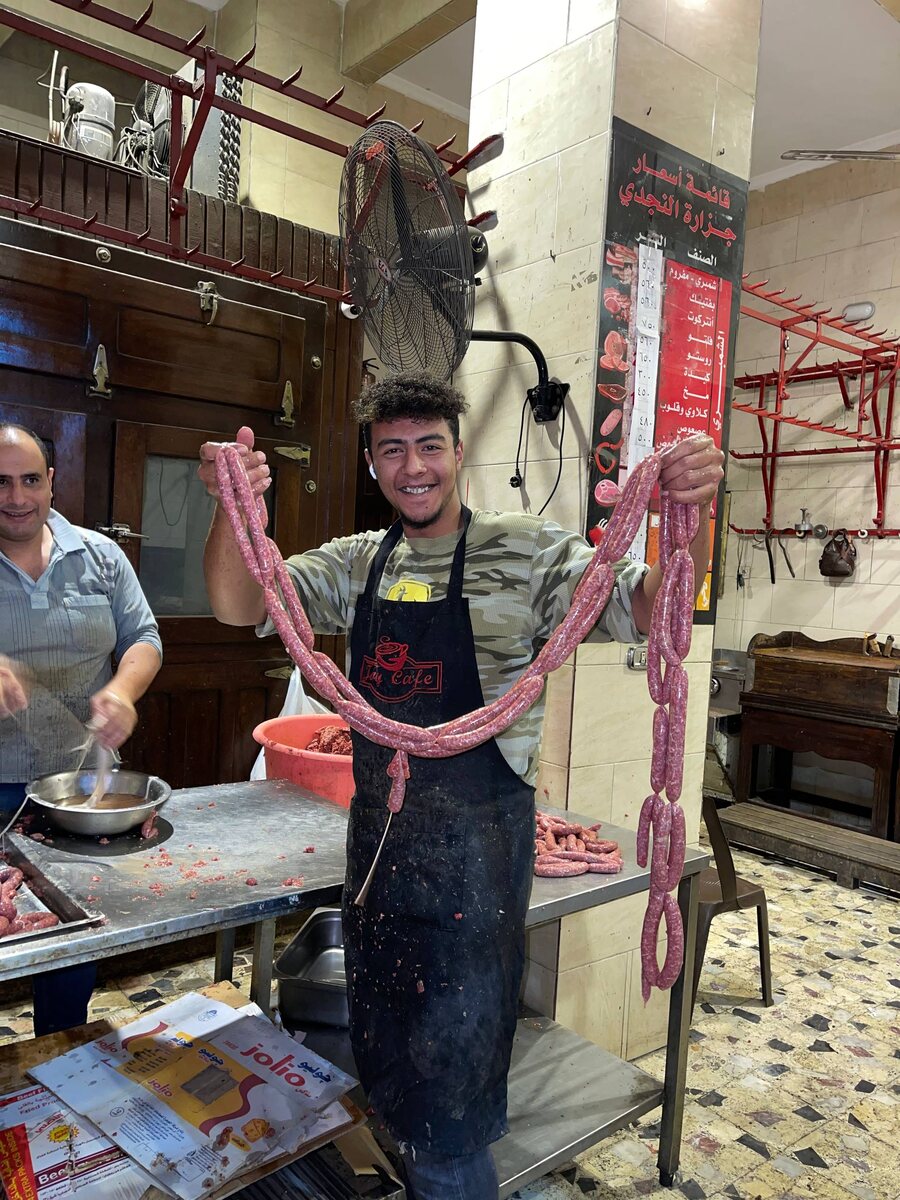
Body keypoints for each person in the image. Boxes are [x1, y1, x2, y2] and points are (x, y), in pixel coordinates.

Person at [198, 371, 723, 1200]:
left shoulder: (529, 551)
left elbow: (655, 607)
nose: (413, 467)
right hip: (379, 858)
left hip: (476, 865)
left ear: (458, 450)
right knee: (388, 1073)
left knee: (450, 1106)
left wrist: (687, 514)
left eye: (429, 446)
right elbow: (238, 603)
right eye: (392, 450)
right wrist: (231, 506)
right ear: (372, 463)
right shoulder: (356, 562)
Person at [0, 424, 162, 1034]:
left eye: (29, 480)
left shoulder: (100, 556)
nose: (17, 497)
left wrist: (122, 691)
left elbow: (143, 637)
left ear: (52, 481)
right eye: (0, 482)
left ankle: (63, 1047)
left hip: (79, 789)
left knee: (76, 932)